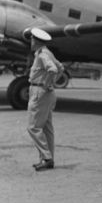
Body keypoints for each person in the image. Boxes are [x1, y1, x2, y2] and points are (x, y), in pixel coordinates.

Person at [26, 28, 64, 171]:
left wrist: (48, 83)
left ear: (35, 41)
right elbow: (61, 68)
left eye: (31, 39)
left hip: (39, 92)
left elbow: (53, 69)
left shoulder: (42, 55)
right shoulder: (46, 53)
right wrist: (51, 83)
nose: (30, 41)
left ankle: (46, 158)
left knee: (33, 127)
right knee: (47, 128)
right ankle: (49, 159)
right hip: (46, 93)